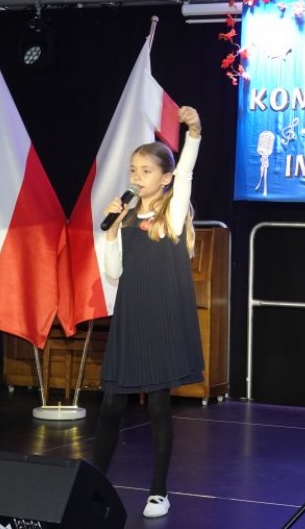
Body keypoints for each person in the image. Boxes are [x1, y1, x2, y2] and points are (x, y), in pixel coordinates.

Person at [92, 105, 205, 519]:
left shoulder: (170, 214)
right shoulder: (124, 218)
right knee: (112, 404)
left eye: (146, 171)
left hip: (162, 318)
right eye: (133, 170)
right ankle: (94, 485)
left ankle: (159, 491)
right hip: (131, 315)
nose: (137, 177)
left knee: (158, 405)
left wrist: (193, 134)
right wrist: (111, 231)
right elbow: (114, 272)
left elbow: (187, 171)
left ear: (165, 178)